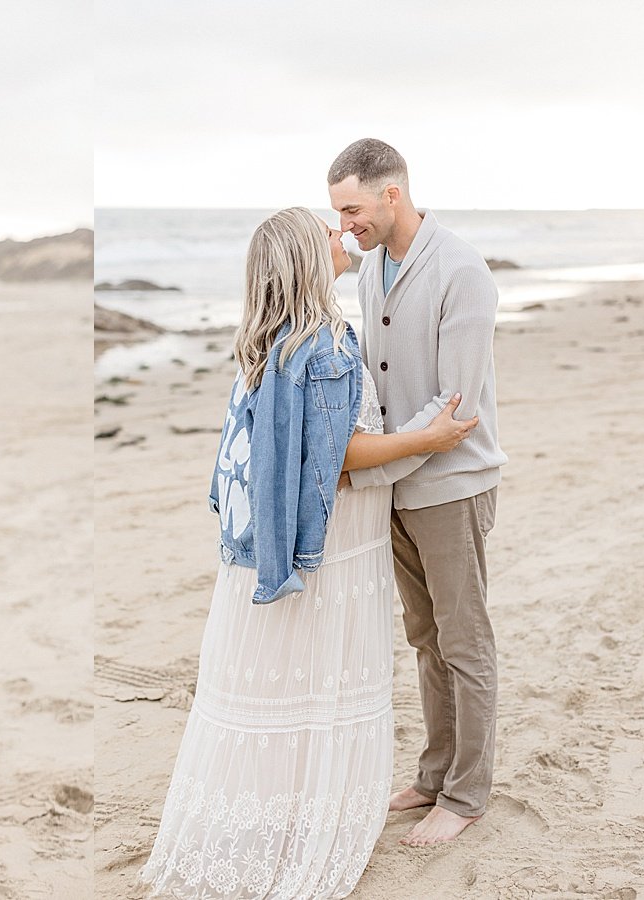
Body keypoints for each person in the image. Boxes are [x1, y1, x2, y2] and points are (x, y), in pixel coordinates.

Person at [139, 207, 476, 898]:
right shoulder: (323, 344)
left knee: (287, 676)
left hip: (285, 532)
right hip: (337, 534)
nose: (342, 236)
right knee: (320, 671)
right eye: (329, 232)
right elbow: (340, 452)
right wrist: (425, 439)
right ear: (306, 258)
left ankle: (279, 810)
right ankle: (303, 820)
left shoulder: (271, 341)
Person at [328, 138, 507, 846]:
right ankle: (434, 775)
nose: (345, 224)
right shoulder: (371, 269)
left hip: (451, 487)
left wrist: (367, 469)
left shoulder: (462, 270)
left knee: (465, 641)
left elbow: (453, 413)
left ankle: (466, 795)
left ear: (391, 194)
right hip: (396, 487)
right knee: (425, 639)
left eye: (352, 208)